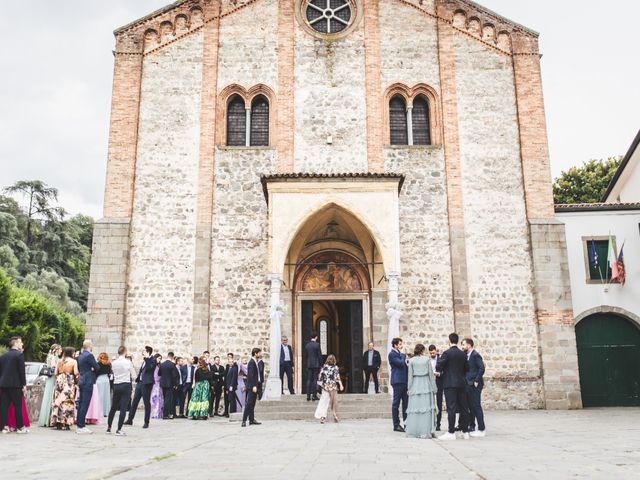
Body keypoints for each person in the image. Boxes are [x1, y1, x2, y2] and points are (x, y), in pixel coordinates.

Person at [436, 333, 471, 441]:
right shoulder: (463, 354)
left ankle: (451, 432)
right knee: (464, 408)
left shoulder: (447, 353)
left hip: (450, 384)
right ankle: (465, 432)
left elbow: (438, 367)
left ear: (449, 341)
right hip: (461, 383)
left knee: (451, 407)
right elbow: (467, 368)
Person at [405, 344, 438, 439]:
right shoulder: (427, 360)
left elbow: (410, 377)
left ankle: (414, 431)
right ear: (422, 350)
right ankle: (426, 430)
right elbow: (431, 375)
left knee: (415, 409)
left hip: (415, 384)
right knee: (426, 409)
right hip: (426, 385)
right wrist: (434, 388)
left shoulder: (411, 361)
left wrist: (409, 388)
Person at [0, 337, 28, 434]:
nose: (22, 344)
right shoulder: (19, 355)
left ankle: (4, 427)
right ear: (15, 343)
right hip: (16, 385)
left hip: (4, 384)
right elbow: (22, 371)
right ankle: (20, 427)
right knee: (17, 406)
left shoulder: (3, 356)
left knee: (4, 406)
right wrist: (24, 384)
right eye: (20, 342)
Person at [107, 346, 136, 436]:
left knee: (113, 407)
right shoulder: (128, 362)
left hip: (116, 384)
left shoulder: (114, 363)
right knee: (123, 407)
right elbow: (134, 374)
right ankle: (119, 429)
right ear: (125, 352)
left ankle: (109, 427)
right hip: (125, 384)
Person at [125, 346, 156, 428]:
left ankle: (146, 422)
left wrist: (147, 358)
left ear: (148, 352)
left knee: (146, 403)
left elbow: (150, 368)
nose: (142, 352)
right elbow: (142, 371)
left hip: (147, 384)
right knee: (134, 401)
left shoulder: (152, 360)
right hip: (140, 383)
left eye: (144, 351)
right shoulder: (145, 360)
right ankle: (130, 420)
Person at [462, 338, 486, 437]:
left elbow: (481, 368)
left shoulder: (475, 355)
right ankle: (472, 426)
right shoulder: (467, 355)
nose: (462, 347)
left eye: (463, 344)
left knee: (476, 406)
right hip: (468, 384)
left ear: (469, 345)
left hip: (475, 384)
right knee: (471, 406)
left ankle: (481, 429)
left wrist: (476, 380)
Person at [50, 347, 79, 430]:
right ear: (71, 353)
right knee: (68, 401)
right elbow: (76, 372)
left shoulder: (59, 361)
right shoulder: (74, 361)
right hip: (69, 380)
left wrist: (60, 378)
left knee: (58, 400)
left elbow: (55, 373)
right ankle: (67, 422)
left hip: (59, 379)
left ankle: (58, 422)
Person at [76, 339, 100, 434]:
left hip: (82, 379)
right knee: (85, 403)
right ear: (90, 346)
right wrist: (92, 370)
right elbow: (97, 367)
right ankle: (81, 426)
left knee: (81, 403)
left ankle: (79, 424)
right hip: (88, 381)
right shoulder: (89, 355)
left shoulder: (80, 356)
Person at [314, 354, 344, 424]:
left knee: (324, 402)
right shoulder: (335, 367)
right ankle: (335, 415)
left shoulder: (324, 367)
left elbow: (320, 377)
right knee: (334, 402)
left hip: (326, 387)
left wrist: (322, 385)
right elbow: (337, 377)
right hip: (333, 387)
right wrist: (341, 385)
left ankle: (322, 417)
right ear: (334, 360)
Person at [38, 343, 61, 427]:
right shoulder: (52, 357)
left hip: (52, 378)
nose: (61, 351)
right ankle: (47, 419)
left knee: (51, 397)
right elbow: (53, 367)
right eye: (60, 349)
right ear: (56, 350)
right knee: (50, 396)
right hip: (52, 379)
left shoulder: (54, 357)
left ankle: (50, 418)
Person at [389, 337, 409, 433]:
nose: (401, 346)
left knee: (406, 403)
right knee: (396, 403)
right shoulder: (392, 354)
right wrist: (404, 355)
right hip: (397, 381)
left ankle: (406, 423)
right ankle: (396, 424)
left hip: (404, 381)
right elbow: (400, 364)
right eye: (400, 344)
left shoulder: (400, 354)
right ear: (395, 345)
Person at [241, 348, 262, 427]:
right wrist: (253, 386)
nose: (260, 354)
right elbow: (251, 375)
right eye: (259, 353)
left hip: (255, 385)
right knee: (249, 403)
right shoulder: (251, 362)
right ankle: (244, 420)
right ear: (255, 353)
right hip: (252, 386)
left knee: (252, 403)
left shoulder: (255, 362)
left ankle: (251, 419)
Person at [158, 352, 179, 420]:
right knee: (168, 399)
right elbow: (174, 375)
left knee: (165, 398)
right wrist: (175, 384)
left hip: (163, 383)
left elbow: (159, 373)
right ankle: (166, 414)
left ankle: (165, 413)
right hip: (169, 384)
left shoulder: (162, 364)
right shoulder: (172, 365)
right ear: (172, 357)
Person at [428, 345, 444, 431]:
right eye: (430, 353)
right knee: (430, 404)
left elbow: (444, 371)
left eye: (433, 353)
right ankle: (431, 423)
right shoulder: (428, 360)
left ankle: (438, 424)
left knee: (439, 404)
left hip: (439, 383)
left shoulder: (441, 359)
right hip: (430, 384)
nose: (432, 354)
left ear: (436, 351)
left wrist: (439, 374)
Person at [305, 332, 322, 401]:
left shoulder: (307, 345)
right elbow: (319, 356)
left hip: (309, 364)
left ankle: (308, 396)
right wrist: (321, 364)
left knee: (309, 380)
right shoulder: (317, 345)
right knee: (315, 379)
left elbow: (306, 356)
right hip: (316, 364)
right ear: (316, 337)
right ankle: (314, 396)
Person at [96, 352, 112, 417]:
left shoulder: (98, 364)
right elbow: (109, 372)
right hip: (106, 379)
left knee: (100, 395)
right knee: (106, 395)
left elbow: (96, 372)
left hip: (100, 379)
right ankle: (106, 411)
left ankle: (99, 411)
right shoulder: (109, 364)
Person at [150, 353, 164, 419]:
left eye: (160, 359)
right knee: (153, 399)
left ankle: (158, 413)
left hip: (158, 384)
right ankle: (154, 413)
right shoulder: (152, 365)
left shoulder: (159, 366)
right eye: (158, 358)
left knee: (159, 399)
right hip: (154, 384)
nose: (159, 360)